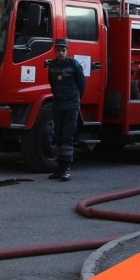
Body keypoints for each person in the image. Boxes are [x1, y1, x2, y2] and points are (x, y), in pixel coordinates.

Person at [47, 37, 85, 181]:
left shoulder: (74, 64)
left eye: (63, 50)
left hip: (70, 105)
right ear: (55, 51)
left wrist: (74, 99)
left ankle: (66, 168)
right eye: (58, 50)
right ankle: (59, 168)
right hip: (58, 104)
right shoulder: (52, 65)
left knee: (67, 136)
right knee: (57, 135)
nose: (61, 53)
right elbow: (52, 83)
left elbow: (82, 84)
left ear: (67, 51)